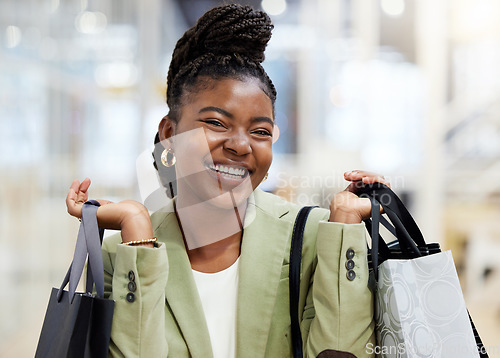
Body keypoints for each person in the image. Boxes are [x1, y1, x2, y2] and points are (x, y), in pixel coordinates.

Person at [66, 4, 389, 357]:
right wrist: (137, 225)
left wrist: (344, 221)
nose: (239, 145)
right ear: (170, 133)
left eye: (260, 131)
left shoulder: (311, 235)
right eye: (217, 123)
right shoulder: (123, 252)